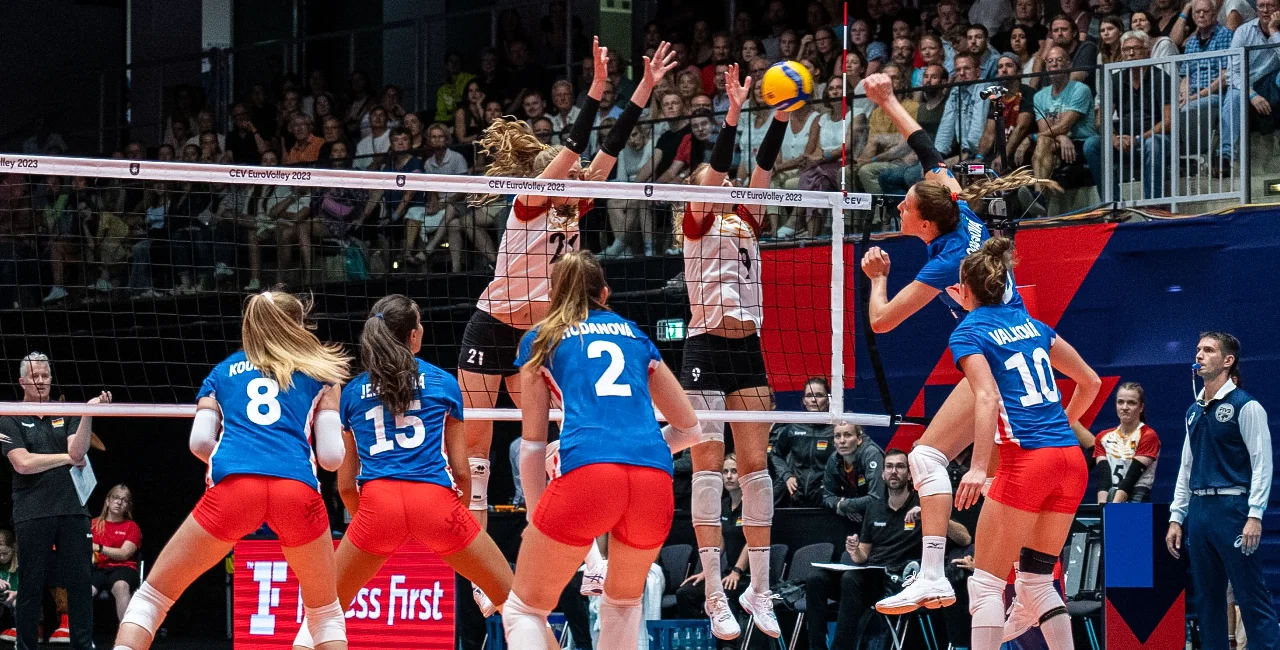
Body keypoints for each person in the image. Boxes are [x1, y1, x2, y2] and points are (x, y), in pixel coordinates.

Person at [456, 37, 675, 610]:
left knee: (560, 440)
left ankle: (592, 564)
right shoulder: (530, 202)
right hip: (491, 327)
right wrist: (596, 88)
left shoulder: (574, 207)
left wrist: (643, 89)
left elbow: (609, 147)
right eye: (569, 171)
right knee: (476, 457)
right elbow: (579, 145)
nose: (580, 175)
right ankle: (483, 577)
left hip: (541, 340)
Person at [857, 72, 1056, 617]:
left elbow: (883, 323)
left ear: (925, 221)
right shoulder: (960, 210)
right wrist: (888, 100)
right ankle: (1023, 584)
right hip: (1021, 340)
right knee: (1000, 471)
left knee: (925, 455)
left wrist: (878, 277)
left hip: (997, 350)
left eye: (904, 207)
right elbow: (928, 149)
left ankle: (933, 575)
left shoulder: (947, 260)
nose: (899, 209)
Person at [112, 291, 350, 650]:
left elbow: (199, 442)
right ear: (296, 326)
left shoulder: (223, 372)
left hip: (235, 490)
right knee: (324, 614)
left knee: (152, 598)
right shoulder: (323, 374)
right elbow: (331, 457)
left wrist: (238, 458)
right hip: (297, 491)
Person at [290, 295, 515, 648]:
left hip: (378, 506)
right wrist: (452, 515)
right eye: (420, 323)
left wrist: (370, 523)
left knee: (323, 615)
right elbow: (462, 470)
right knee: (516, 606)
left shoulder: (352, 393)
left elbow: (345, 484)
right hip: (436, 505)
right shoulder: (443, 383)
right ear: (413, 335)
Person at [505, 250, 703, 650]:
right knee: (624, 605)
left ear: (552, 294)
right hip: (653, 482)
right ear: (605, 293)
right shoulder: (635, 335)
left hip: (588, 475)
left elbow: (533, 444)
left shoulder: (541, 339)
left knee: (524, 609)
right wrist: (638, 451)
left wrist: (536, 513)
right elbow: (690, 429)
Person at [675, 62, 788, 641]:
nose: (720, 183)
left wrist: (779, 118)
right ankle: (715, 594)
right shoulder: (696, 221)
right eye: (710, 180)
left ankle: (759, 591)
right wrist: (733, 115)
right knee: (706, 472)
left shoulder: (746, 219)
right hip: (704, 347)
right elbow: (719, 169)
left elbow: (761, 171)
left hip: (748, 350)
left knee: (755, 473)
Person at [948, 237, 1102, 650]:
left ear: (965, 291)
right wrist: (1063, 425)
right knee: (1036, 581)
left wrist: (978, 468)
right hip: (1070, 460)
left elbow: (986, 397)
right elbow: (1090, 382)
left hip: (1028, 462)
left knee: (985, 585)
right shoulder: (1034, 326)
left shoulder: (969, 332)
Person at [1167, 332, 1280, 650]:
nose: (1199, 355)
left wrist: (1255, 515)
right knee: (1208, 600)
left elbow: (1262, 463)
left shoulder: (1247, 406)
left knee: (1250, 595)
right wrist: (1177, 516)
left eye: (1208, 350)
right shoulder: (1192, 411)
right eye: (1198, 349)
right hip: (1199, 513)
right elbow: (1186, 467)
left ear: (1228, 361)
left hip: (1233, 510)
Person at [805, 449, 971, 650]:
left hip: (901, 579)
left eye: (900, 467)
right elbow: (863, 555)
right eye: (889, 467)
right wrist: (855, 550)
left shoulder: (924, 502)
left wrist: (928, 514)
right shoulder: (874, 507)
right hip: (871, 576)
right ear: (882, 474)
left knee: (851, 579)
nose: (894, 471)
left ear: (909, 475)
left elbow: (965, 538)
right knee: (815, 579)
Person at [0, 352, 110, 650]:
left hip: (73, 510)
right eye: (34, 376)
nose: (40, 381)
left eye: (45, 375)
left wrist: (87, 413)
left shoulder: (68, 411)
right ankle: (25, 645)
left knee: (80, 583)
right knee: (31, 585)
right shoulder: (9, 416)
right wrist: (66, 458)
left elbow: (79, 449)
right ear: (22, 381)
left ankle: (83, 645)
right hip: (32, 512)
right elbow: (23, 463)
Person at [675, 453, 749, 621]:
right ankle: (700, 636)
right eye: (725, 472)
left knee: (724, 594)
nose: (729, 476)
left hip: (748, 576)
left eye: (734, 471)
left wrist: (737, 571)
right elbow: (719, 543)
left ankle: (730, 638)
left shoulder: (751, 504)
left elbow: (752, 543)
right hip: (728, 573)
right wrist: (707, 572)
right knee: (685, 593)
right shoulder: (723, 505)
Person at [770, 378, 836, 508]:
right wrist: (787, 475)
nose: (813, 400)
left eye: (819, 395)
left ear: (828, 400)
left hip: (826, 502)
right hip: (797, 500)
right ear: (804, 401)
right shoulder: (794, 428)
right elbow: (775, 454)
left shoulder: (836, 430)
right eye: (809, 395)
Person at [1093, 382, 1161, 504]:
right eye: (1120, 402)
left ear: (1141, 407)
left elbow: (1131, 477)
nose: (1124, 407)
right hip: (1111, 495)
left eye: (1131, 403)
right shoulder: (1102, 437)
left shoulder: (1148, 435)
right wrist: (1101, 508)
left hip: (1137, 497)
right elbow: (1104, 478)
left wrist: (1113, 509)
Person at [91, 484, 142, 625]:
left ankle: (127, 632)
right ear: (108, 501)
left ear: (128, 506)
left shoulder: (132, 527)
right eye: (116, 498)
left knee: (121, 586)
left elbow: (124, 554)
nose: (119, 502)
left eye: (124, 500)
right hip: (98, 568)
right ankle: (79, 633)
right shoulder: (93, 524)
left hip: (124, 568)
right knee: (84, 588)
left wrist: (99, 548)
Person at [822, 422, 886, 526]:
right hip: (852, 519)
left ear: (859, 439)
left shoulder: (871, 454)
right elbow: (827, 496)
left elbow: (877, 497)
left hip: (880, 518)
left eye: (847, 435)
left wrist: (845, 505)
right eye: (837, 436)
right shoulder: (834, 459)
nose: (842, 441)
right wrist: (840, 504)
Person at [0, 530, 17, 641]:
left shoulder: (21, 565)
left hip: (14, 603)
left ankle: (18, 628)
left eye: (5, 553)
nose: (2, 558)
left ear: (13, 548)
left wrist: (16, 593)